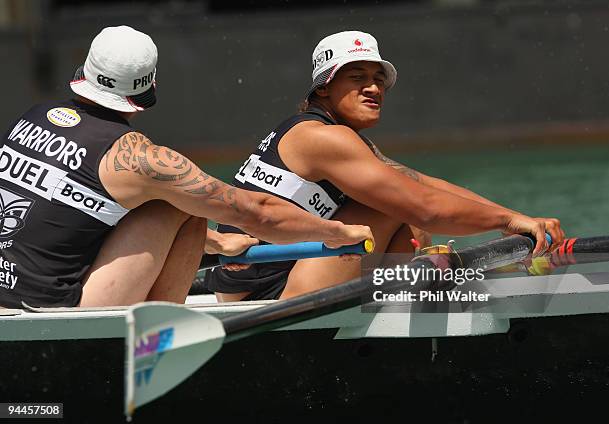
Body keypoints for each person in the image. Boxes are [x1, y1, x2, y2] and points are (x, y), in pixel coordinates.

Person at [0, 26, 373, 309]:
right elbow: (256, 211)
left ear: (85, 70)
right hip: (50, 316)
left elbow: (61, 211)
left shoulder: (31, 118)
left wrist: (216, 243)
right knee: (181, 205)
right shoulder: (142, 160)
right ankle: (158, 342)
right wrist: (335, 231)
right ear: (149, 87)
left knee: (154, 201)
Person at [205, 30, 565, 301]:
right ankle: (409, 304)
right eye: (357, 78)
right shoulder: (323, 138)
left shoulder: (329, 136)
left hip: (246, 284)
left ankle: (407, 292)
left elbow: (422, 182)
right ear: (324, 88)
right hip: (268, 297)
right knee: (400, 210)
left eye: (378, 79)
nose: (373, 88)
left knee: (399, 202)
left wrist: (517, 217)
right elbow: (425, 207)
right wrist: (507, 222)